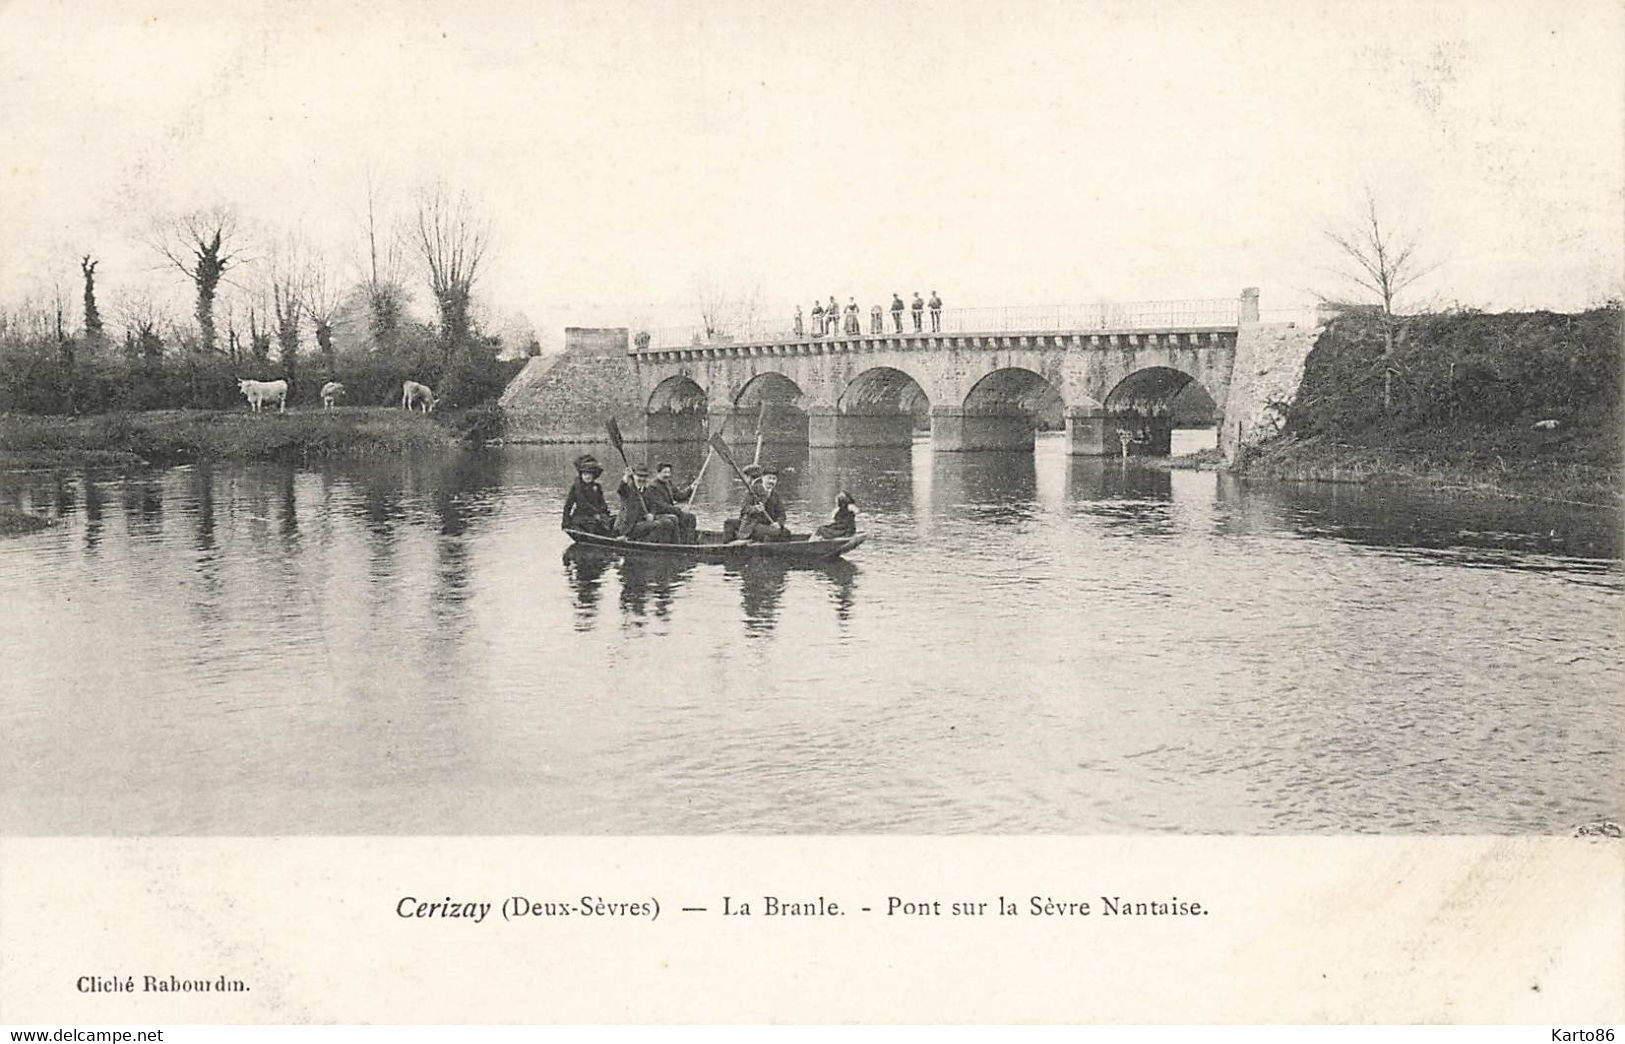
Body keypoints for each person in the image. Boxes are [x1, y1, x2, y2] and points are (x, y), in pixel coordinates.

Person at [615, 463, 680, 542]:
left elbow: (653, 505)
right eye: (639, 476)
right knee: (659, 525)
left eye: (644, 477)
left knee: (672, 519)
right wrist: (626, 476)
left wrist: (651, 514)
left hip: (643, 521)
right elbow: (621, 489)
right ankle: (638, 541)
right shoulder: (629, 489)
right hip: (630, 526)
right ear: (634, 477)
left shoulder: (646, 490)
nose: (642, 479)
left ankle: (674, 545)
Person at [737, 463, 792, 542]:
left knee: (786, 532)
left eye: (774, 479)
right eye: (769, 478)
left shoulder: (775, 495)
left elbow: (782, 513)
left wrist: (778, 523)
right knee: (774, 533)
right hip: (752, 526)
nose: (771, 481)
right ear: (762, 478)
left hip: (768, 525)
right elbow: (744, 509)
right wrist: (755, 509)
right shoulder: (753, 491)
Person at [562, 454, 614, 534]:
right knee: (594, 526)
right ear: (581, 475)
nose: (587, 477)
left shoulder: (597, 487)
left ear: (593, 476)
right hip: (582, 517)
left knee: (613, 522)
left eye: (590, 474)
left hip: (597, 515)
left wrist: (603, 514)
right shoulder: (576, 488)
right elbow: (568, 505)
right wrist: (566, 522)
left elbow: (602, 502)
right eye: (585, 474)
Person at [647, 461, 698, 543]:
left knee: (690, 517)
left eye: (669, 472)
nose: (667, 475)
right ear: (658, 473)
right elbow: (661, 506)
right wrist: (678, 510)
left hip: (670, 511)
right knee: (673, 519)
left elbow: (679, 496)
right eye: (665, 472)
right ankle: (676, 544)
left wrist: (691, 488)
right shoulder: (653, 487)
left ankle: (688, 542)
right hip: (658, 514)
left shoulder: (668, 483)